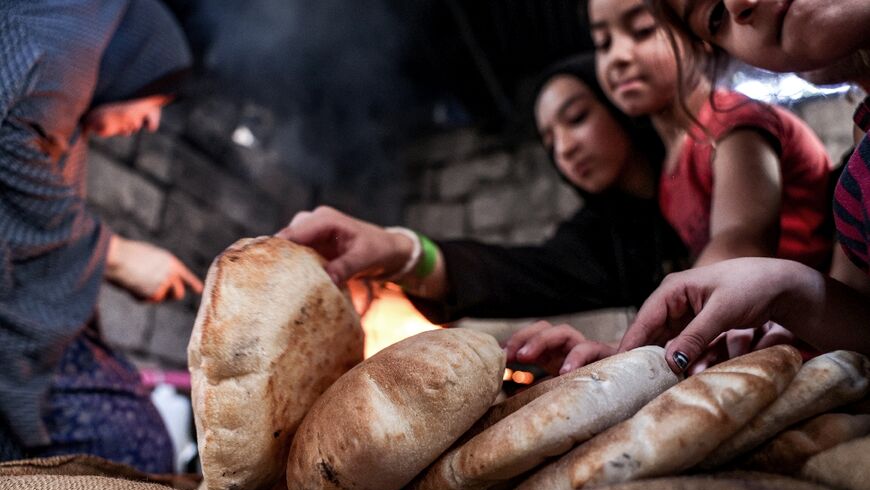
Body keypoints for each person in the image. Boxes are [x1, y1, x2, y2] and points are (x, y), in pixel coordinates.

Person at [277, 54, 686, 374]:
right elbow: (514, 274)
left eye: (576, 118)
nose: (564, 149)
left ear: (622, 102)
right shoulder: (604, 237)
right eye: (548, 140)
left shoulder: (709, 166)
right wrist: (400, 251)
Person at [505, 0, 846, 374]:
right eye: (603, 43)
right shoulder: (673, 164)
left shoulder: (735, 128)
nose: (618, 56)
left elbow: (737, 245)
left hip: (815, 355)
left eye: (643, 31)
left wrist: (630, 349)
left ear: (699, 36)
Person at [613, 0, 870, 373]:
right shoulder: (861, 148)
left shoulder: (737, 126)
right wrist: (788, 290)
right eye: (716, 16)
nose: (737, 5)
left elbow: (739, 235)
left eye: (642, 30)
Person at [0, 0, 203, 472]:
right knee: (126, 442)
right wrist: (116, 254)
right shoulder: (61, 47)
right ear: (132, 64)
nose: (152, 122)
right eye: (156, 100)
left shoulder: (66, 119)